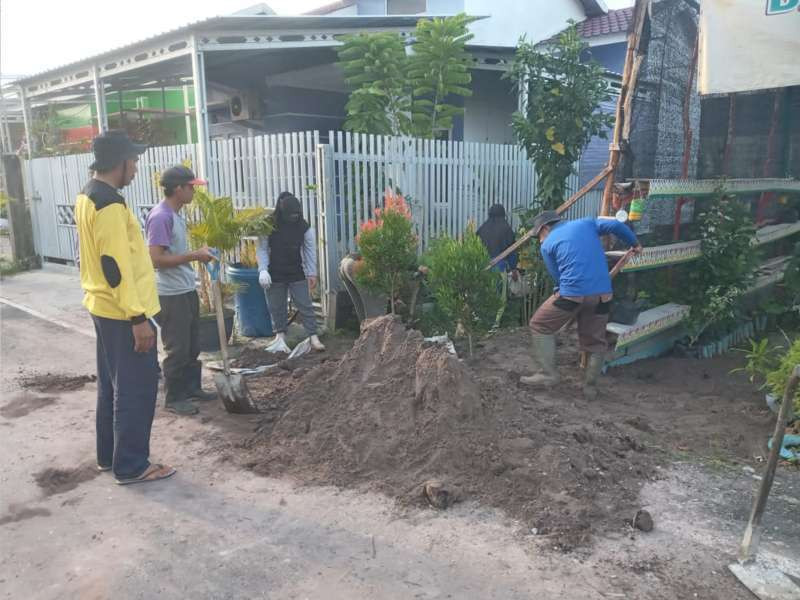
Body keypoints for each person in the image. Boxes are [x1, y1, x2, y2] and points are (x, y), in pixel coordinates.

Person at [75, 130, 175, 484]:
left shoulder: (88, 195)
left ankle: (109, 455)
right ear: (119, 162)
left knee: (112, 386)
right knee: (135, 388)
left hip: (102, 306)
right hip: (122, 312)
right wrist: (137, 318)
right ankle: (132, 465)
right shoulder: (110, 206)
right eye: (133, 161)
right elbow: (114, 267)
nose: (135, 168)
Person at [521, 210, 642, 400]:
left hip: (571, 295)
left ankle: (548, 373)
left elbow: (558, 277)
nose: (540, 240)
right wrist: (635, 244)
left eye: (539, 236)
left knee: (539, 325)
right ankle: (590, 387)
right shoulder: (587, 223)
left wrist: (567, 292)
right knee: (595, 342)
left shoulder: (547, 245)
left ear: (545, 228)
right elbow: (617, 225)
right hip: (602, 294)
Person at [145, 166, 217, 416]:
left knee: (192, 343)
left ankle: (191, 388)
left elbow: (173, 252)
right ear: (178, 188)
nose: (194, 191)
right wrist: (194, 255)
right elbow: (155, 259)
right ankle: (174, 398)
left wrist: (199, 254)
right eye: (191, 187)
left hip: (185, 288)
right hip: (170, 293)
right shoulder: (161, 216)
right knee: (177, 346)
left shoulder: (176, 214)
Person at [257, 192, 325, 351]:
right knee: (276, 306)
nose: (294, 218)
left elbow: (309, 250)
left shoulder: (304, 226)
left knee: (305, 304)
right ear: (282, 212)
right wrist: (263, 270)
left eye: (297, 215)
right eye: (291, 215)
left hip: (296, 270)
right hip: (275, 271)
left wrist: (312, 273)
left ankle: (313, 337)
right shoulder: (269, 224)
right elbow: (262, 249)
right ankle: (279, 337)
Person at [477, 204, 519, 329]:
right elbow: (512, 250)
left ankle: (482, 323)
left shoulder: (482, 229)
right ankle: (494, 325)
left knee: (483, 296)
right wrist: (513, 268)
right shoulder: (506, 229)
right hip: (499, 268)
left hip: (482, 269)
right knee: (500, 299)